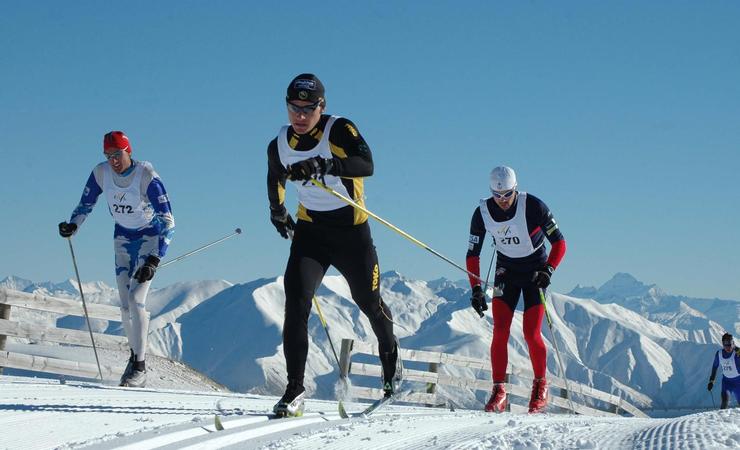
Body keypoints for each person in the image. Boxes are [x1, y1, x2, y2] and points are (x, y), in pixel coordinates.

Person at [266, 73, 401, 417]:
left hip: (352, 234)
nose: (299, 115)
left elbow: (366, 164)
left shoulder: (338, 129)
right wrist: (278, 211)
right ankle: (294, 389)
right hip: (311, 233)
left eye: (307, 109)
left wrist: (326, 163)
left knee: (369, 302)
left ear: (321, 107)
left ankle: (390, 363)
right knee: (296, 302)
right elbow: (274, 174)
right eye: (293, 108)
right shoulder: (279, 142)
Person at [58, 131, 175, 388]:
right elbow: (85, 204)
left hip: (148, 238)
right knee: (124, 306)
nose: (113, 161)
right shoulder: (101, 173)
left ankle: (141, 366)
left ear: (128, 151)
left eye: (117, 154)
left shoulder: (146, 177)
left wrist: (154, 259)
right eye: (108, 156)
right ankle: (133, 358)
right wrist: (72, 226)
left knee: (136, 299)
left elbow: (168, 221)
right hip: (122, 239)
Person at [465, 166, 566, 413]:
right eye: (497, 195)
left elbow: (560, 243)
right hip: (505, 273)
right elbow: (472, 254)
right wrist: (476, 289)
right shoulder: (482, 213)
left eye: (507, 194)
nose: (502, 201)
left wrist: (549, 270)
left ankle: (541, 385)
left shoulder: (533, 206)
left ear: (515, 189)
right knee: (500, 331)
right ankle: (499, 391)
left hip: (534, 272)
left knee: (531, 333)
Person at [707, 332, 740, 409]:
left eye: (730, 344)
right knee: (724, 402)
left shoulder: (737, 353)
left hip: (738, 383)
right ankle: (722, 420)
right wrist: (711, 381)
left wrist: (736, 348)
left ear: (733, 343)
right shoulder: (719, 354)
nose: (728, 347)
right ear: (723, 344)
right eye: (726, 345)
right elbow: (715, 367)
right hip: (726, 382)